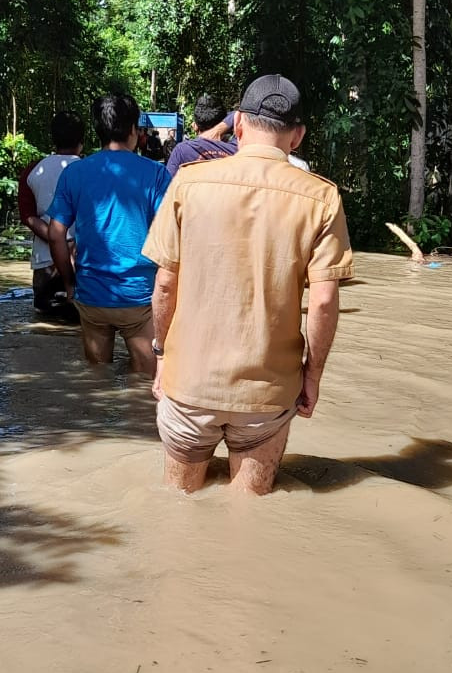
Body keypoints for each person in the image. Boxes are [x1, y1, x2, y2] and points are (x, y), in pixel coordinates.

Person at [142, 74, 353, 495]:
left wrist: (162, 356)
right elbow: (325, 302)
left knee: (177, 509)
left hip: (190, 385)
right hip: (267, 395)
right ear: (297, 137)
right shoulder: (322, 198)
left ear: (237, 125)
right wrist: (312, 376)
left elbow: (165, 284)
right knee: (249, 519)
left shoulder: (188, 181)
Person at [48, 94, 171, 374]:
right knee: (143, 384)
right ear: (133, 130)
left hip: (91, 295)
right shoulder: (156, 174)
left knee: (96, 379)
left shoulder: (74, 173)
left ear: (98, 131)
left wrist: (69, 284)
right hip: (139, 295)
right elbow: (173, 235)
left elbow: (56, 235)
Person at [17, 110, 84, 318]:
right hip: (82, 264)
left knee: (43, 323)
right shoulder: (90, 171)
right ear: (82, 140)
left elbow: (27, 216)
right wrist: (70, 244)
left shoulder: (33, 170)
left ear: (53, 139)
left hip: (44, 264)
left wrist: (57, 240)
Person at [165, 94, 235, 176]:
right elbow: (240, 114)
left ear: (195, 126)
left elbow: (168, 186)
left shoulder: (182, 151)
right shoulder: (237, 149)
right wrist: (220, 128)